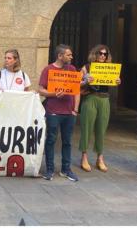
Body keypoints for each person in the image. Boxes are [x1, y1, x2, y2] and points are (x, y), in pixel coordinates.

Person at [38, 44, 80, 182]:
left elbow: (77, 91)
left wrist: (75, 109)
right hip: (53, 111)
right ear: (60, 56)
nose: (71, 57)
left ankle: (66, 169)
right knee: (51, 140)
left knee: (67, 141)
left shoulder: (72, 69)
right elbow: (40, 90)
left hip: (69, 112)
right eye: (69, 55)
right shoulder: (48, 70)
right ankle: (49, 169)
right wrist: (54, 94)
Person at [78, 45, 121, 173]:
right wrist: (86, 81)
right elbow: (76, 83)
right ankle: (84, 157)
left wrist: (117, 81)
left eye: (105, 54)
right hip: (90, 98)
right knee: (86, 128)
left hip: (104, 99)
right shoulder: (86, 67)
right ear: (95, 54)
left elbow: (112, 82)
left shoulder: (110, 68)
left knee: (101, 129)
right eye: (100, 53)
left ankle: (100, 158)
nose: (103, 56)